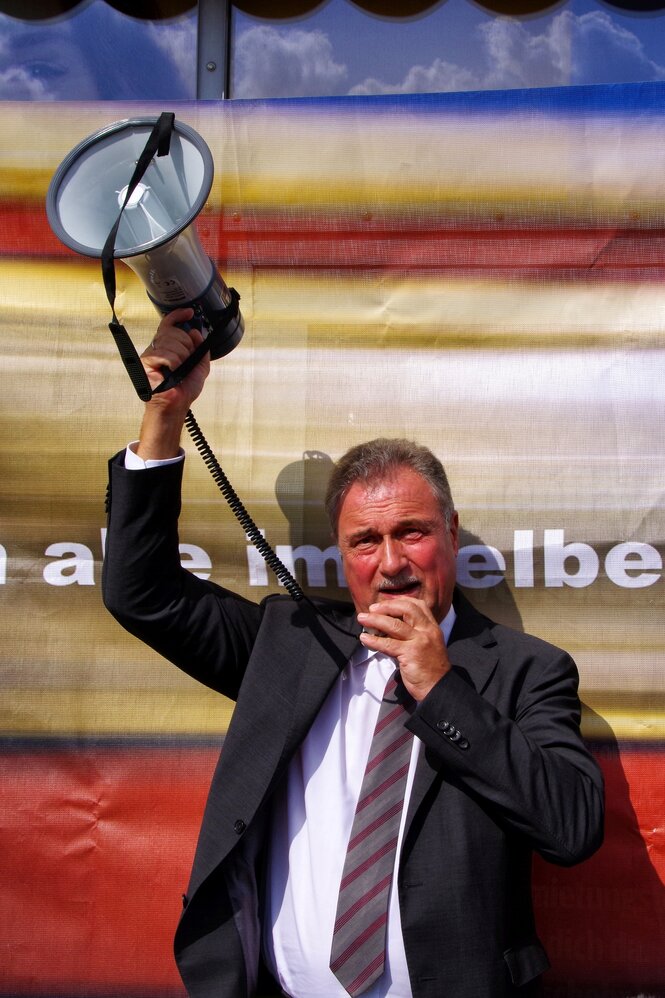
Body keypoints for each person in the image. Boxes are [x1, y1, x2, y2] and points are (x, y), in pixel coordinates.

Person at [102, 309, 604, 998]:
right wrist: (165, 413)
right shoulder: (290, 644)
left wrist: (440, 686)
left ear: (451, 534)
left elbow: (570, 826)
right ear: (342, 555)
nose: (391, 561)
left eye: (412, 532)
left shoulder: (526, 669)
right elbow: (141, 592)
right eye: (366, 541)